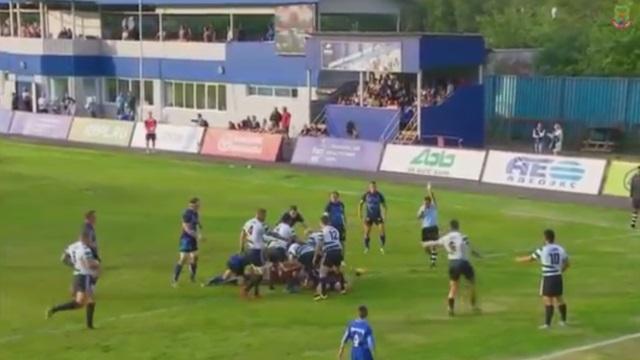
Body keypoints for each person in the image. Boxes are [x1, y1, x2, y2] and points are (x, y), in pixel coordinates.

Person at [421, 219, 481, 316]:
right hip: (463, 262)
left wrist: (425, 244)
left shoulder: (446, 238)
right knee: (471, 284)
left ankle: (450, 308)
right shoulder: (463, 236)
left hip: (453, 264)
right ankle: (473, 306)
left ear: (450, 227)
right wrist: (477, 254)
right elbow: (470, 248)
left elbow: (435, 243)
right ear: (458, 227)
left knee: (453, 287)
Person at [516, 229, 570, 329]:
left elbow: (530, 258)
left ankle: (547, 324)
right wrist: (559, 271)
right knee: (559, 298)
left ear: (545, 238)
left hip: (548, 277)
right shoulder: (560, 249)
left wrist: (518, 260)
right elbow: (567, 264)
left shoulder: (543, 249)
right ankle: (563, 321)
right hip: (558, 276)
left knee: (547, 299)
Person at [46, 232, 100, 329]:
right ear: (86, 239)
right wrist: (97, 265)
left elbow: (63, 258)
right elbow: (89, 265)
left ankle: (55, 309)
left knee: (83, 302)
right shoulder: (86, 250)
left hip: (77, 275)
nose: (91, 242)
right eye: (90, 240)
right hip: (84, 276)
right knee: (86, 301)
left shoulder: (73, 246)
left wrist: (74, 265)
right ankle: (89, 326)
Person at [172, 198, 203, 287]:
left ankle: (192, 277)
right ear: (192, 205)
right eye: (198, 205)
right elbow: (186, 228)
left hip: (193, 239)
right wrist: (197, 236)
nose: (199, 206)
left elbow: (197, 225)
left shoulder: (196, 213)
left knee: (195, 257)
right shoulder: (186, 213)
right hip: (186, 239)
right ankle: (175, 280)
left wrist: (199, 230)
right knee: (183, 258)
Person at [313, 215, 345, 301]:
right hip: (338, 251)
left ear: (321, 223)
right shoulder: (335, 230)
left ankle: (323, 294)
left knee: (322, 273)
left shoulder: (322, 231)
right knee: (337, 270)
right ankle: (342, 288)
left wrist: (315, 256)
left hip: (330, 252)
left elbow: (319, 244)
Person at [239, 208, 268, 298]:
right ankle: (246, 290)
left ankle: (256, 293)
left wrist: (241, 247)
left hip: (249, 249)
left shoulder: (249, 222)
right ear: (259, 215)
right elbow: (256, 239)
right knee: (260, 274)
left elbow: (243, 234)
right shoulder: (259, 226)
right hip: (256, 251)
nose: (265, 218)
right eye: (264, 216)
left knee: (255, 272)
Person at [358, 181, 387, 254]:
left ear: (376, 187)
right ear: (369, 187)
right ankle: (367, 247)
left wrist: (384, 215)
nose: (373, 188)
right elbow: (360, 204)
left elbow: (384, 205)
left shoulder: (379, 195)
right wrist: (360, 213)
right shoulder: (366, 195)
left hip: (378, 216)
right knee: (367, 232)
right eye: (371, 187)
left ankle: (382, 247)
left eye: (374, 187)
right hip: (369, 216)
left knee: (382, 231)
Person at [417, 183, 439, 268]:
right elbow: (418, 217)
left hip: (433, 227)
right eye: (425, 202)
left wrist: (429, 189)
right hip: (425, 229)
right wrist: (422, 214)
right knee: (425, 247)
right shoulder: (422, 208)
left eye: (427, 203)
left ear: (430, 202)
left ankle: (433, 263)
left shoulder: (433, 206)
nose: (425, 204)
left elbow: (433, 197)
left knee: (434, 245)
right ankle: (433, 255)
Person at [325, 191, 347, 256]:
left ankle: (342, 259)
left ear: (338, 197)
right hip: (332, 227)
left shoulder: (341, 205)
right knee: (331, 242)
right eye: (332, 197)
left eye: (335, 197)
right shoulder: (328, 206)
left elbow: (343, 215)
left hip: (340, 226)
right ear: (330, 198)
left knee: (342, 242)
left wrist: (345, 224)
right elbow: (325, 217)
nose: (334, 198)